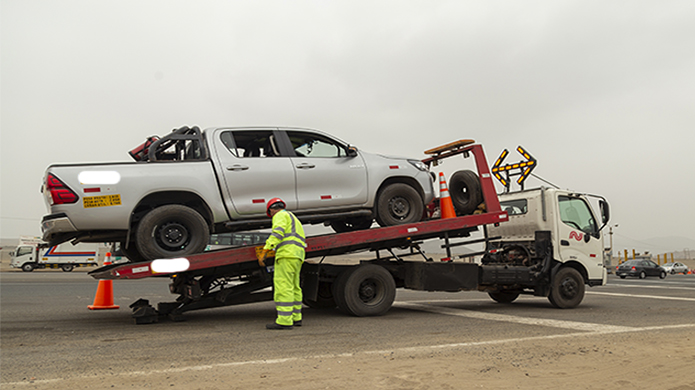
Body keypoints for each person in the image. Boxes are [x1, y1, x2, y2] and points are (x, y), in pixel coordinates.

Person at [257, 198, 306, 330]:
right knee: (295, 287)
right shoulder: (294, 218)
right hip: (297, 256)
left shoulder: (280, 215)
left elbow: (277, 234)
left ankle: (284, 320)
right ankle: (296, 317)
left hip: (286, 255)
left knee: (283, 287)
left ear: (271, 210)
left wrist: (265, 251)